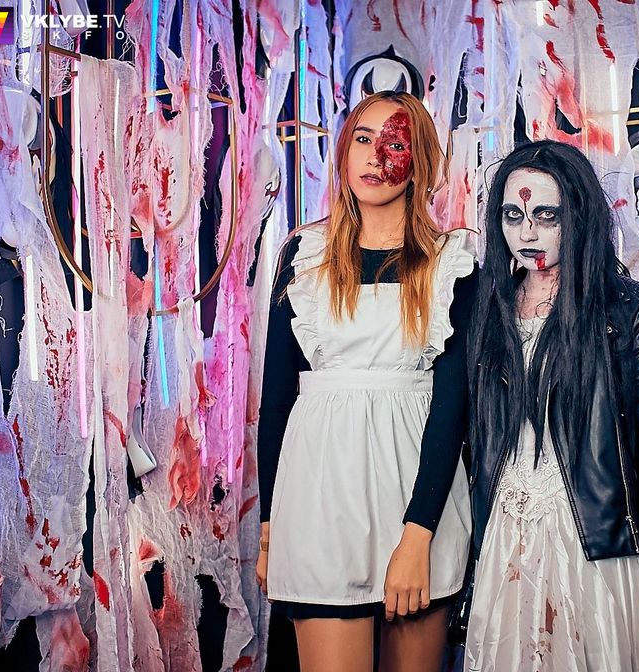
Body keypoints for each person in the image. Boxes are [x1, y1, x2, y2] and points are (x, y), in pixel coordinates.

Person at [255, 91, 476, 672]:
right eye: (362, 138)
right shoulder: (303, 255)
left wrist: (419, 535)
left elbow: (453, 407)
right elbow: (275, 402)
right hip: (320, 500)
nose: (375, 156)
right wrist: (270, 529)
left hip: (419, 502)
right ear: (343, 151)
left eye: (394, 142)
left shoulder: (452, 262)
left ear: (419, 161)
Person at [465, 140, 639, 671]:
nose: (527, 233)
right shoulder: (487, 309)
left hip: (600, 545)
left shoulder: (627, 307)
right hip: (508, 542)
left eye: (546, 216)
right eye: (513, 216)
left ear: (577, 215)